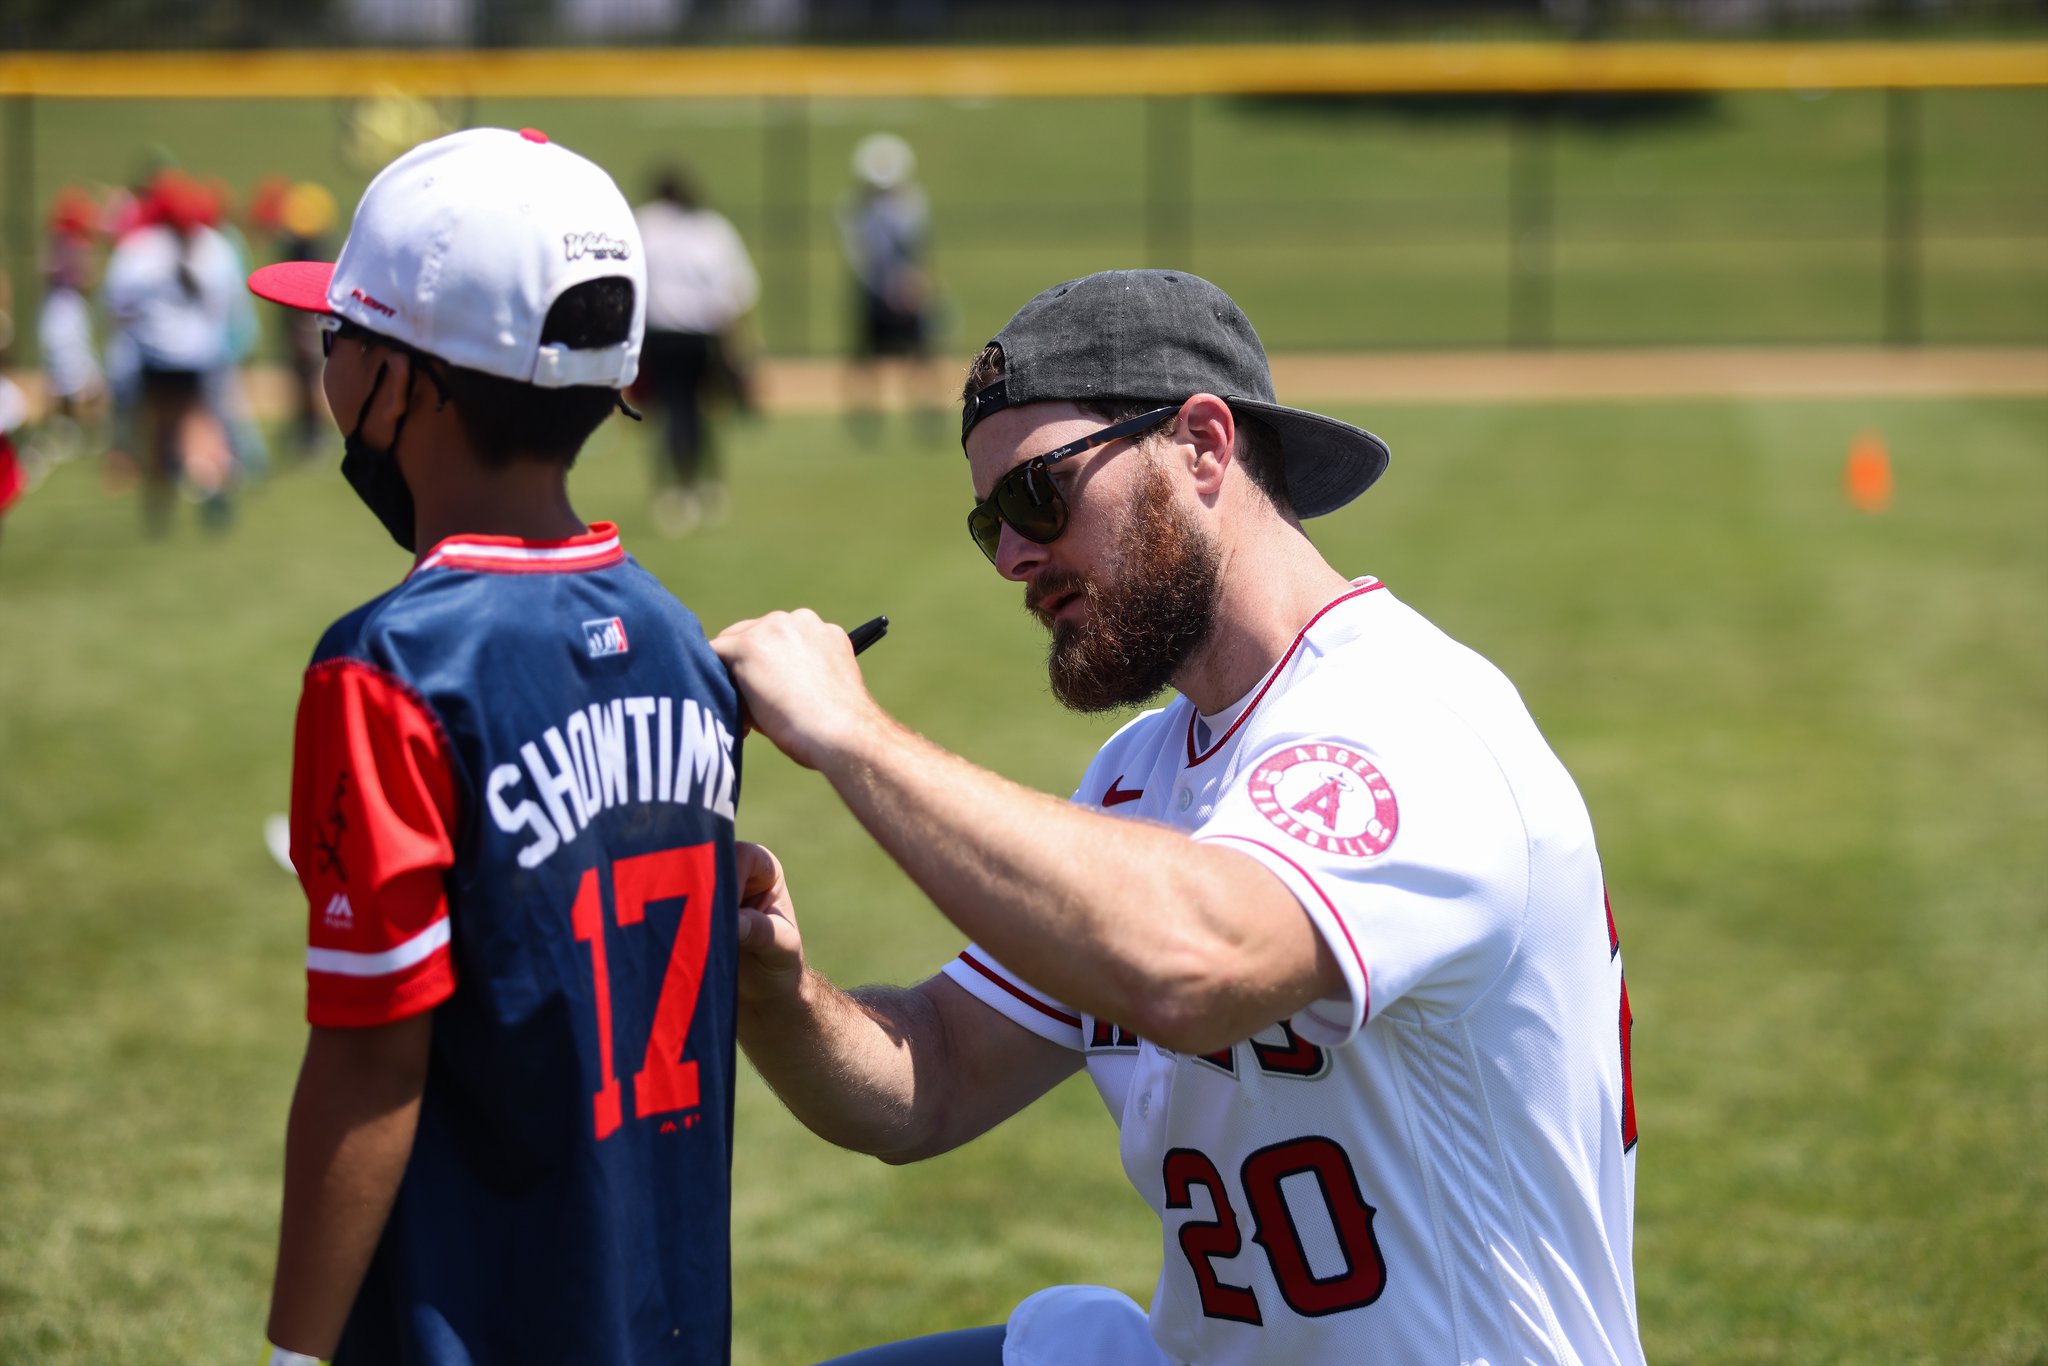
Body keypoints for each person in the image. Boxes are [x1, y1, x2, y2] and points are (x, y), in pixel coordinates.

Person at [712, 269, 1645, 1365]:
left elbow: (1188, 963)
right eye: (987, 524)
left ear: (1202, 444)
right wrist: (770, 987)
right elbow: (934, 1076)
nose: (1012, 556)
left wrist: (847, 731)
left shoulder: (1402, 718)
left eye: (1035, 495)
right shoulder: (1137, 771)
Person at [248, 126, 743, 1366]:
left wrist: (290, 1354)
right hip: (655, 1311)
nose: (326, 368)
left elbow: (370, 1057)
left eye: (337, 340)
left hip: (468, 1321)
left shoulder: (394, 666)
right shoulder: (676, 638)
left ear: (402, 380)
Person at [102, 168, 239, 532]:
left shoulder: (138, 249)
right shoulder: (214, 245)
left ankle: (159, 505)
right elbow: (225, 303)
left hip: (157, 357)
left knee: (160, 432)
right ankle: (211, 486)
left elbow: (117, 305)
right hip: (200, 354)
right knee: (201, 427)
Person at [633, 165, 760, 535]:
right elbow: (738, 290)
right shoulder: (712, 229)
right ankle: (707, 485)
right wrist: (742, 342)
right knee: (699, 410)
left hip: (661, 335)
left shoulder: (645, 225)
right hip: (705, 335)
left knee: (672, 411)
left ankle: (676, 490)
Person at [836, 132, 942, 443]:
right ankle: (865, 416)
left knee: (921, 356)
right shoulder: (857, 208)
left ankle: (928, 414)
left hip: (907, 293)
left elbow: (917, 251)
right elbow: (863, 256)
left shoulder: (911, 204)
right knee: (867, 359)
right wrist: (884, 288)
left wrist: (914, 285)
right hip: (875, 295)